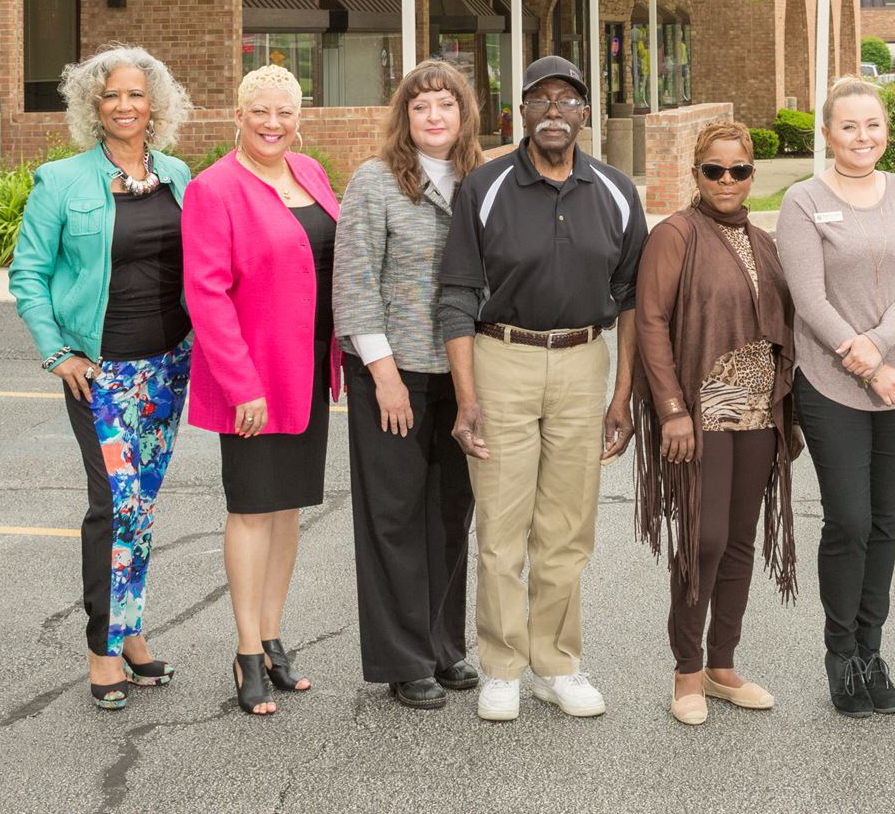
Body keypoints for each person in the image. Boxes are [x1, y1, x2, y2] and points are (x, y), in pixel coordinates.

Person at [437, 54, 647, 723]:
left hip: (585, 359)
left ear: (585, 113)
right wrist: (467, 398)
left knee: (566, 526)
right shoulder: (487, 186)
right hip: (504, 358)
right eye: (541, 99)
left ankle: (556, 664)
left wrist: (623, 395)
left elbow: (635, 299)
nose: (554, 110)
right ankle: (501, 664)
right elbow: (457, 296)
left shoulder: (615, 189)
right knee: (501, 525)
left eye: (568, 100)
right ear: (520, 111)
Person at [8, 44, 198, 711]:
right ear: (94, 106)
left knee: (141, 507)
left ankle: (133, 633)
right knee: (113, 504)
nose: (124, 105)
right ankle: (101, 647)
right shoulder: (60, 182)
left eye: (136, 95)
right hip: (101, 374)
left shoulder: (176, 174)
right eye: (111, 95)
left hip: (170, 366)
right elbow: (27, 274)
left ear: (156, 106)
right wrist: (58, 354)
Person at [772, 77, 895, 717]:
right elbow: (809, 300)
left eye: (872, 125)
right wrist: (865, 363)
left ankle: (872, 650)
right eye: (848, 127)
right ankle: (840, 653)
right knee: (848, 520)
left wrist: (882, 345)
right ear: (827, 133)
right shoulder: (803, 201)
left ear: (885, 130)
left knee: (884, 523)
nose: (862, 137)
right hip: (831, 383)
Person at [183, 64, 342, 718]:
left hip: (305, 371)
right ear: (238, 116)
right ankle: (246, 649)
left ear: (300, 116)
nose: (273, 123)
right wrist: (240, 383)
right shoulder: (213, 189)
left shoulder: (312, 176)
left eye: (285, 111)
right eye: (261, 112)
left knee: (287, 509)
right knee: (251, 508)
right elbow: (207, 294)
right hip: (251, 376)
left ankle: (273, 636)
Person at [633, 120, 799, 726]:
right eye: (714, 170)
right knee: (702, 539)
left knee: (738, 540)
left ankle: (721, 665)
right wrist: (672, 409)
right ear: (695, 174)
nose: (726, 181)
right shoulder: (677, 235)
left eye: (739, 170)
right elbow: (650, 322)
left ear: (752, 175)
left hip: (759, 411)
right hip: (702, 410)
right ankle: (686, 669)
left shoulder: (764, 239)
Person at [333, 59, 485, 711]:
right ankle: (403, 658)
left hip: (461, 373)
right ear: (405, 115)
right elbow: (356, 278)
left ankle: (445, 645)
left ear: (463, 114)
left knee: (450, 515)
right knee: (394, 518)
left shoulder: (481, 181)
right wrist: (384, 372)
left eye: (445, 106)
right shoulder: (375, 181)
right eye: (421, 106)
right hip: (391, 374)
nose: (433, 117)